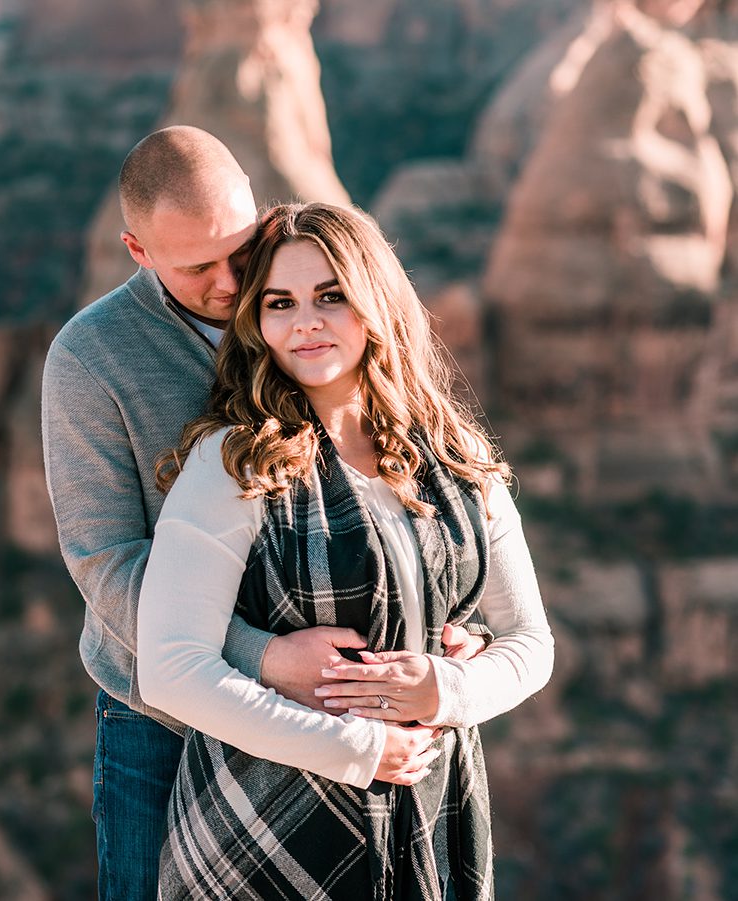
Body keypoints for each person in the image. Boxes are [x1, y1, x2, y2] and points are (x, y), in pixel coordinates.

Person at [42, 127, 489, 899]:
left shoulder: (315, 309)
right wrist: (264, 657)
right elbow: (106, 562)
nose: (228, 282)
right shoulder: (91, 359)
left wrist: (455, 620)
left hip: (354, 706)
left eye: (241, 251)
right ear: (136, 250)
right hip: (163, 721)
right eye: (196, 267)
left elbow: (405, 471)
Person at [135, 201, 555, 899]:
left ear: (375, 301)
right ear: (257, 323)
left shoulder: (456, 460)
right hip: (259, 828)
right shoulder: (236, 462)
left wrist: (445, 688)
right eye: (280, 302)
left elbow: (529, 640)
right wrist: (358, 748)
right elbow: (172, 668)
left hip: (428, 808)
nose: (305, 321)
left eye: (331, 295)